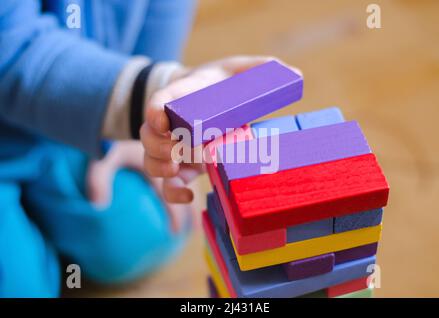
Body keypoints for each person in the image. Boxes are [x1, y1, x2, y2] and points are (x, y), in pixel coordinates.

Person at [0, 0, 298, 297]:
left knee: (139, 232)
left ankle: (48, 220)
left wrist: (143, 123)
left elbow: (161, 12)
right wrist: (147, 91)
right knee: (21, 288)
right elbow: (12, 51)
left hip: (82, 115)